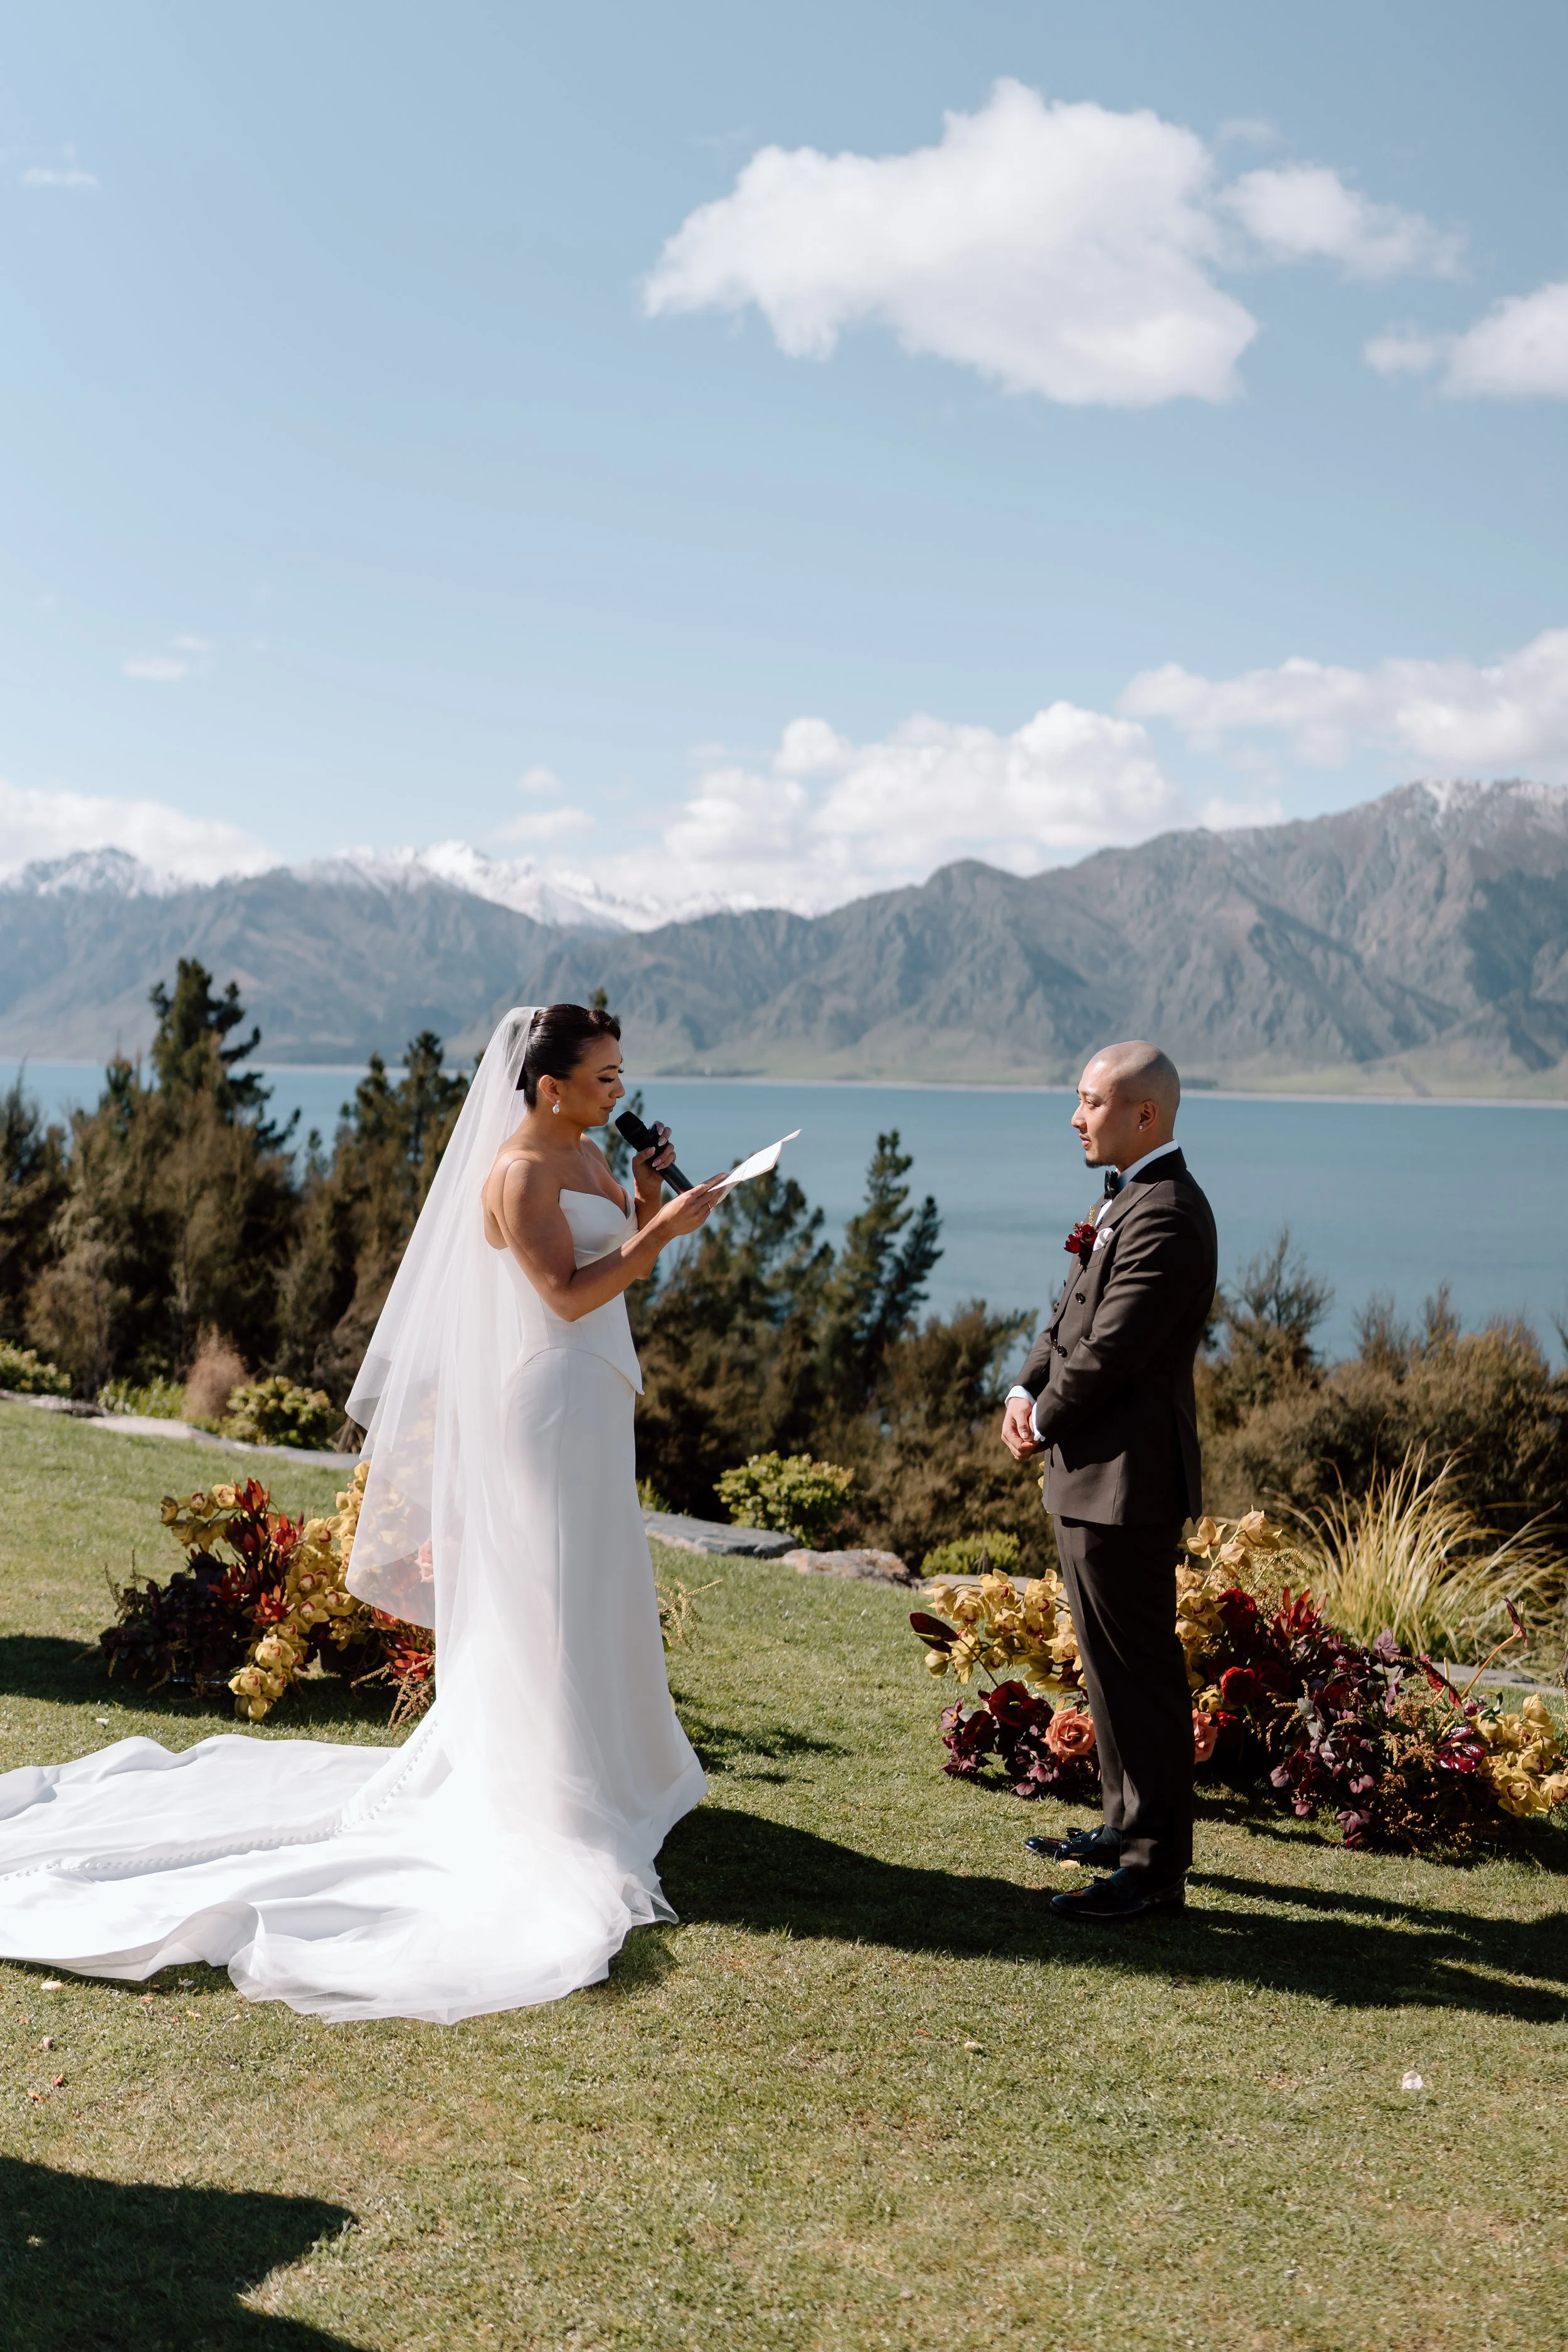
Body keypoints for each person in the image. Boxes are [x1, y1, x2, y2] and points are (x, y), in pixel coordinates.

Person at [0, 1004, 726, 2022]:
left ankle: (615, 1760)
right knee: (552, 1584)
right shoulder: (517, 1172)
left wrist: (648, 1195)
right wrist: (659, 1229)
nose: (619, 1090)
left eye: (619, 1073)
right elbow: (564, 1293)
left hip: (599, 1396)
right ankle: (555, 1790)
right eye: (602, 1075)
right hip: (547, 1399)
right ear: (547, 1084)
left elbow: (618, 1275)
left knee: (599, 1573)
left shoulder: (594, 1157)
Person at [1000, 1041, 1217, 1924]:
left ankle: (1153, 1870)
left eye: (1090, 1102)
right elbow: (1068, 1318)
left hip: (1128, 1479)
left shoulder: (1167, 1212)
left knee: (1141, 1675)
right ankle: (1123, 1826)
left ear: (1144, 1115)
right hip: (1089, 1475)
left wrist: (1045, 1417)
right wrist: (1023, 1386)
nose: (1076, 1116)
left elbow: (1114, 1350)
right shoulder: (1123, 1198)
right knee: (1105, 1666)